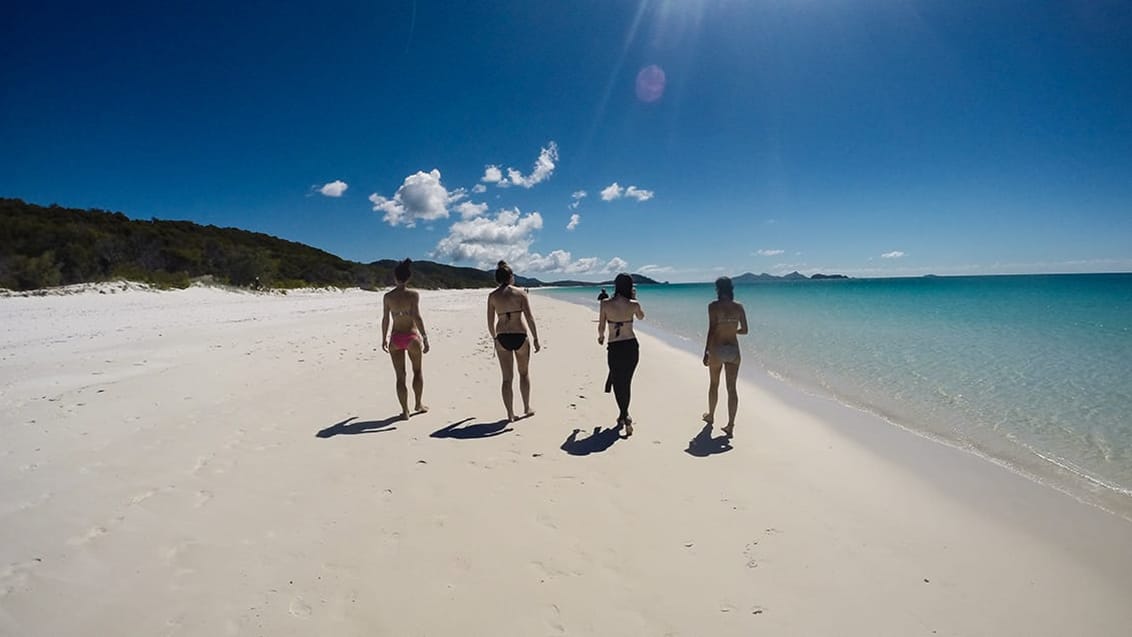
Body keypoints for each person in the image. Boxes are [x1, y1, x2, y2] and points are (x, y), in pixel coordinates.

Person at [487, 261, 541, 421]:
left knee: (506, 378)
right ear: (510, 277)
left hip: (502, 336)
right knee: (523, 374)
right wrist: (536, 338)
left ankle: (510, 414)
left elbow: (490, 322)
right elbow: (530, 318)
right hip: (520, 336)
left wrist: (494, 338)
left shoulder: (492, 296)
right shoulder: (521, 294)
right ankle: (526, 407)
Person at [381, 258, 430, 420]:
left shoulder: (388, 297)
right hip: (411, 337)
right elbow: (417, 316)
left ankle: (405, 411)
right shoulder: (413, 295)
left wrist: (384, 338)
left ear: (395, 278)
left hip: (395, 338)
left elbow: (385, 319)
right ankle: (418, 404)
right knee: (417, 371)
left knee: (400, 376)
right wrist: (424, 337)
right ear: (409, 278)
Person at [598, 274, 645, 435]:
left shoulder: (605, 303)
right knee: (626, 382)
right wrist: (633, 299)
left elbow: (601, 325)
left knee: (619, 384)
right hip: (631, 346)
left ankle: (625, 416)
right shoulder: (633, 304)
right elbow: (641, 316)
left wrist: (601, 337)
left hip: (615, 347)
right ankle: (623, 415)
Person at [702, 276, 748, 438]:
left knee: (714, 384)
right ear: (731, 289)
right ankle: (730, 425)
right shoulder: (739, 307)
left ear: (718, 289)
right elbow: (745, 330)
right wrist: (731, 329)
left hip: (717, 349)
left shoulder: (713, 306)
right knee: (732, 388)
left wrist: (706, 351)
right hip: (734, 350)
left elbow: (711, 330)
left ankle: (711, 416)